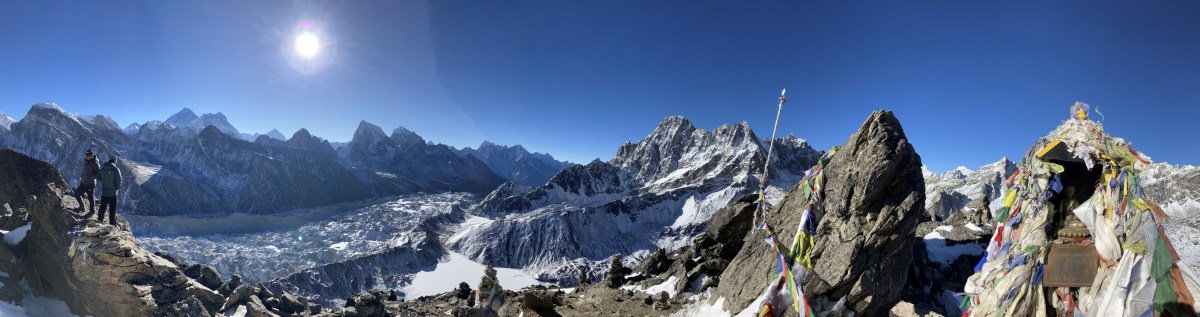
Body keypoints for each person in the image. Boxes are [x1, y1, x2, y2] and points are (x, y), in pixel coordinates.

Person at [96, 155, 122, 226]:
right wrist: (117, 188)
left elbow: (98, 178)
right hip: (113, 194)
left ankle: (99, 221)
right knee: (112, 209)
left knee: (102, 207)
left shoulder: (102, 169)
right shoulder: (116, 169)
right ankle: (112, 224)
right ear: (115, 161)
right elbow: (119, 182)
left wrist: (104, 179)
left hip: (104, 192)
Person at [75, 149, 100, 215]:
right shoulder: (86, 161)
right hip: (84, 182)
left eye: (89, 155)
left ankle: (92, 211)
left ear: (92, 155)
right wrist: (82, 176)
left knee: (90, 197)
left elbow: (98, 173)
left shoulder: (95, 162)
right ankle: (82, 207)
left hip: (90, 184)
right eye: (87, 155)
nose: (88, 156)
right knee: (77, 193)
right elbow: (85, 170)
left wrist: (91, 177)